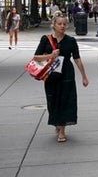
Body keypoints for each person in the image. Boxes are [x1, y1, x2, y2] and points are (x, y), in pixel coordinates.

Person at [32, 12, 89, 143]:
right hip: (51, 75)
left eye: (64, 24)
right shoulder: (45, 39)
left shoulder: (71, 41)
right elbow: (36, 57)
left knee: (66, 100)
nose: (62, 26)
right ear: (54, 25)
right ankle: (57, 122)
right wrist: (50, 55)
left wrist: (84, 77)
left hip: (66, 74)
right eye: (60, 24)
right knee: (52, 101)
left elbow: (77, 59)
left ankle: (62, 130)